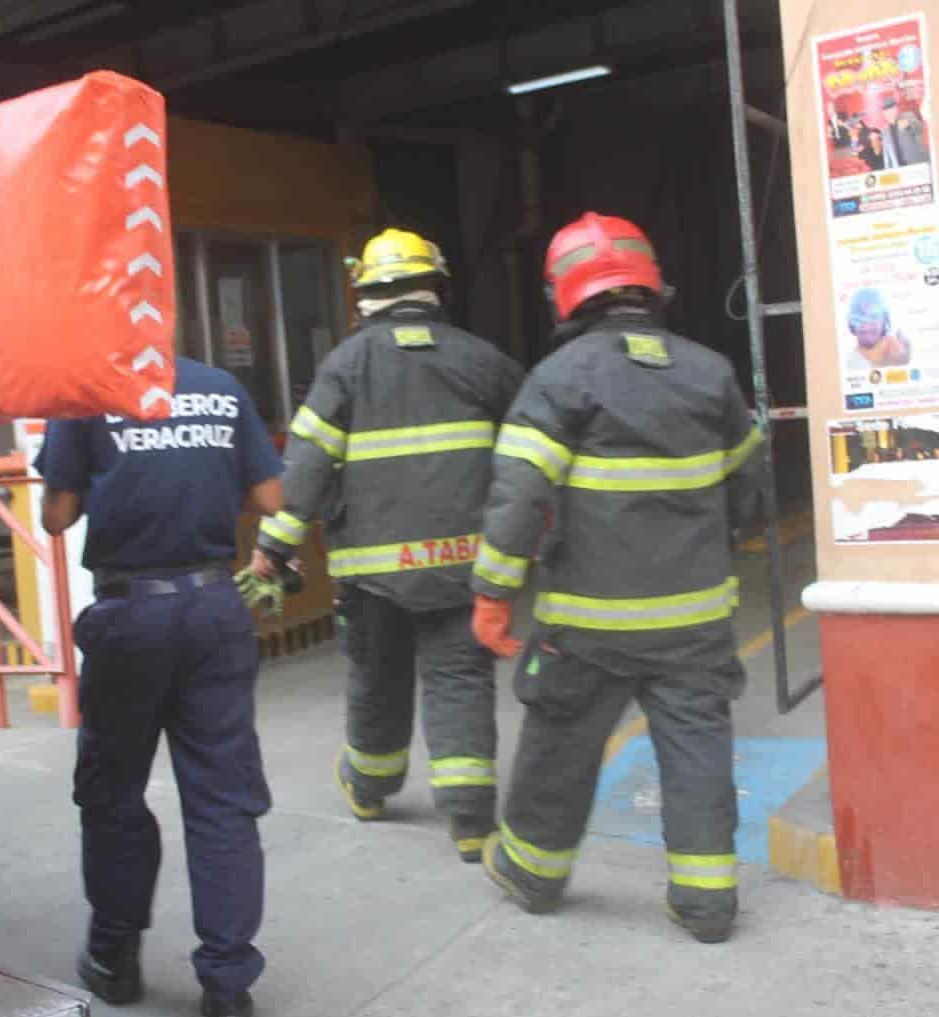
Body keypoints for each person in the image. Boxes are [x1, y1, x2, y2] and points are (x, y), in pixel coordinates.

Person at [469, 212, 767, 943]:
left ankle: (532, 873)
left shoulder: (558, 379)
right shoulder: (710, 373)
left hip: (587, 623)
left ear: (564, 293)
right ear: (650, 284)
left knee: (560, 742)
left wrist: (491, 596)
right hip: (693, 620)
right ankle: (706, 904)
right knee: (697, 749)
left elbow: (518, 498)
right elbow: (753, 488)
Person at [251, 227, 524, 862]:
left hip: (370, 574)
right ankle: (470, 822)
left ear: (366, 293)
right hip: (465, 565)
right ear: (436, 287)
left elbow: (309, 468)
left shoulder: (345, 364)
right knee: (460, 679)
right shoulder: (485, 361)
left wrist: (275, 546)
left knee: (377, 679)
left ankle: (371, 789)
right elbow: (528, 462)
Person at [36, 356, 285, 1017]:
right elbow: (269, 498)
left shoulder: (82, 391)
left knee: (113, 791)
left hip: (131, 615)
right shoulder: (221, 388)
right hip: (212, 606)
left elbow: (56, 517)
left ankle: (114, 957)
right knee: (223, 800)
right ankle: (228, 990)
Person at [843, 287, 912, 373]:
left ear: (885, 321)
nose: (866, 327)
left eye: (873, 317)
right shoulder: (848, 365)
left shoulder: (897, 351)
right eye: (859, 320)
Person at [881, 94, 930, 166]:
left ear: (896, 109)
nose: (890, 112)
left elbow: (920, 128)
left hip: (916, 163)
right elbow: (887, 154)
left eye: (892, 109)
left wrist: (909, 124)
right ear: (884, 113)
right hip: (899, 169)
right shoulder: (885, 132)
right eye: (887, 111)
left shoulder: (907, 116)